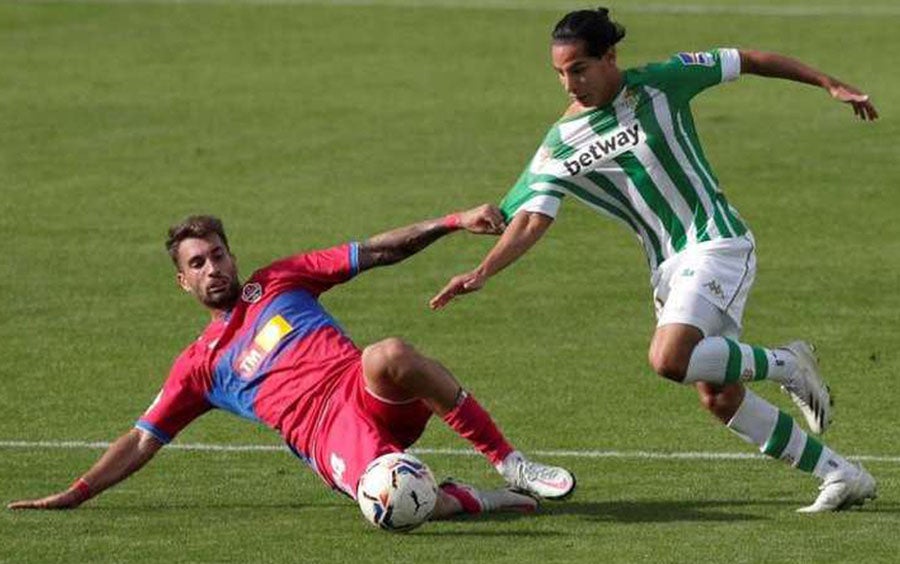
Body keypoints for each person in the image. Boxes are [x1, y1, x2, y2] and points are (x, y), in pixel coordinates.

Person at [430, 7, 878, 512]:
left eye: (579, 68)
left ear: (610, 57)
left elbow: (748, 59)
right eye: (560, 73)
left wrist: (829, 83)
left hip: (717, 243)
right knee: (719, 396)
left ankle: (786, 363)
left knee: (668, 358)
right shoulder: (559, 145)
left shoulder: (662, 83)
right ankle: (841, 474)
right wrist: (481, 269)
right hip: (667, 268)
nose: (569, 84)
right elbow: (528, 217)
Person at [7, 205, 576, 522]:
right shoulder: (198, 367)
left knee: (390, 353)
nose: (213, 269)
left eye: (219, 255)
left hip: (361, 388)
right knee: (397, 507)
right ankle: (471, 498)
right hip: (326, 433)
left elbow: (378, 251)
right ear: (183, 281)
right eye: (198, 263)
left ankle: (509, 463)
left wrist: (452, 222)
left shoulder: (277, 280)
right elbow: (141, 439)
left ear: (234, 256)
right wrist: (77, 492)